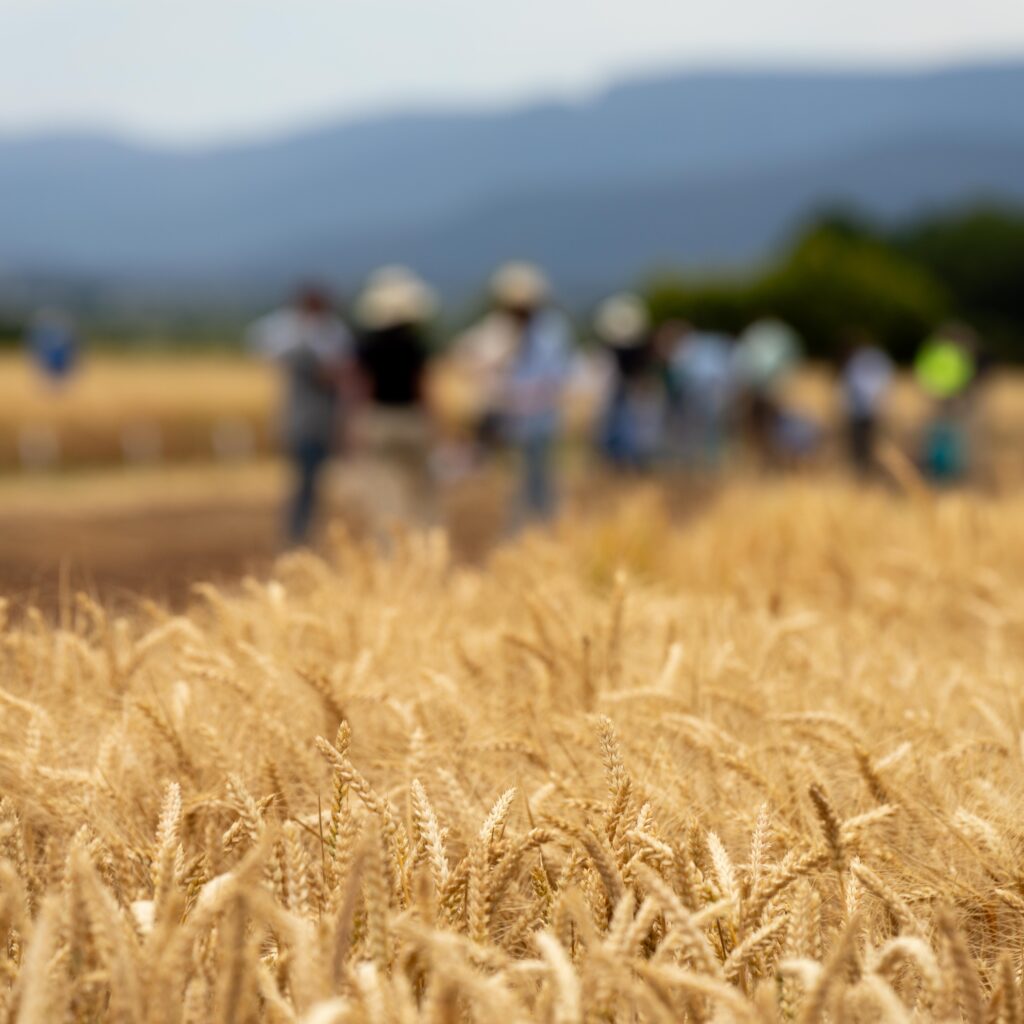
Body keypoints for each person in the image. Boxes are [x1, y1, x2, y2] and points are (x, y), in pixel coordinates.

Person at [456, 262, 571, 523]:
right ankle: (516, 529)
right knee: (510, 483)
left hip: (539, 418)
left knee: (538, 481)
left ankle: (540, 526)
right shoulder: (496, 330)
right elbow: (467, 357)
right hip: (508, 419)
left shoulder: (551, 330)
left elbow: (557, 377)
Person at [247, 284, 356, 544]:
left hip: (307, 424)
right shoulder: (312, 339)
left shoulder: (295, 335)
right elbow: (333, 373)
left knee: (309, 482)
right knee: (307, 481)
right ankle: (299, 534)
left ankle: (301, 532)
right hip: (309, 425)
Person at [354, 266, 438, 518]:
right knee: (422, 487)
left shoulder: (368, 345)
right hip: (412, 418)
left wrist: (358, 421)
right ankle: (424, 535)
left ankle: (388, 537)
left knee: (384, 487)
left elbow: (363, 387)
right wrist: (434, 422)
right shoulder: (416, 344)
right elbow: (423, 387)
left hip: (380, 418)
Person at [593, 293, 664, 471]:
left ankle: (635, 462)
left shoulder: (640, 350)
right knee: (622, 428)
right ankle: (622, 461)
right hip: (623, 392)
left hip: (635, 393)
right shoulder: (617, 350)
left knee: (638, 429)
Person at [663, 323, 735, 471]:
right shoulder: (712, 343)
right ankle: (710, 463)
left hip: (697, 395)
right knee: (712, 432)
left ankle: (698, 464)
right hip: (716, 394)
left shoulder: (686, 348)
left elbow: (678, 375)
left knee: (694, 433)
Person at [914, 323, 977, 482]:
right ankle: (949, 471)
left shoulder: (932, 352)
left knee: (938, 434)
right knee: (950, 435)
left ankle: (937, 470)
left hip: (937, 397)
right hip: (951, 398)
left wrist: (931, 390)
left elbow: (922, 373)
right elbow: (965, 376)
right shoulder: (958, 353)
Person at [839, 333, 893, 475]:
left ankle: (867, 468)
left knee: (867, 442)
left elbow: (852, 384)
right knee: (863, 442)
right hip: (863, 409)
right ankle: (864, 468)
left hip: (863, 409)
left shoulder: (858, 361)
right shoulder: (876, 359)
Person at [26, 308, 80, 387]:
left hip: (58, 361)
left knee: (57, 372)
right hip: (54, 361)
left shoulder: (58, 340)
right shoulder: (50, 338)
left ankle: (55, 383)